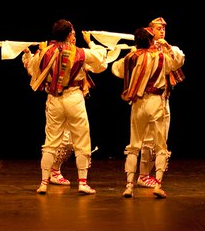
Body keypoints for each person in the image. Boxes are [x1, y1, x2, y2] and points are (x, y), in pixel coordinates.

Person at [22, 19, 107, 195]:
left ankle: (44, 183)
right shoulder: (79, 52)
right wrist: (91, 42)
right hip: (74, 97)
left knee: (51, 141)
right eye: (73, 32)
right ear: (69, 35)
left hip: (54, 99)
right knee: (82, 139)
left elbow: (31, 69)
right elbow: (100, 59)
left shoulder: (45, 52)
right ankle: (82, 182)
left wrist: (28, 56)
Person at [112, 27, 184, 198]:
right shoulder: (161, 57)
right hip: (156, 102)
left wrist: (132, 53)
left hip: (138, 103)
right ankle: (158, 185)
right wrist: (166, 47)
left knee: (134, 145)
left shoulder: (131, 57)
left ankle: (129, 186)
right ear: (151, 41)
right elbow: (178, 61)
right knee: (160, 146)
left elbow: (116, 69)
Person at [135, 16, 185, 189]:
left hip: (163, 98)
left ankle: (152, 175)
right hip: (147, 98)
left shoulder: (167, 49)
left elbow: (178, 61)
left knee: (161, 137)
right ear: (150, 31)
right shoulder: (143, 50)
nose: (162, 31)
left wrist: (167, 47)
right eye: (158, 28)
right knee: (148, 138)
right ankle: (142, 175)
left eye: (163, 28)